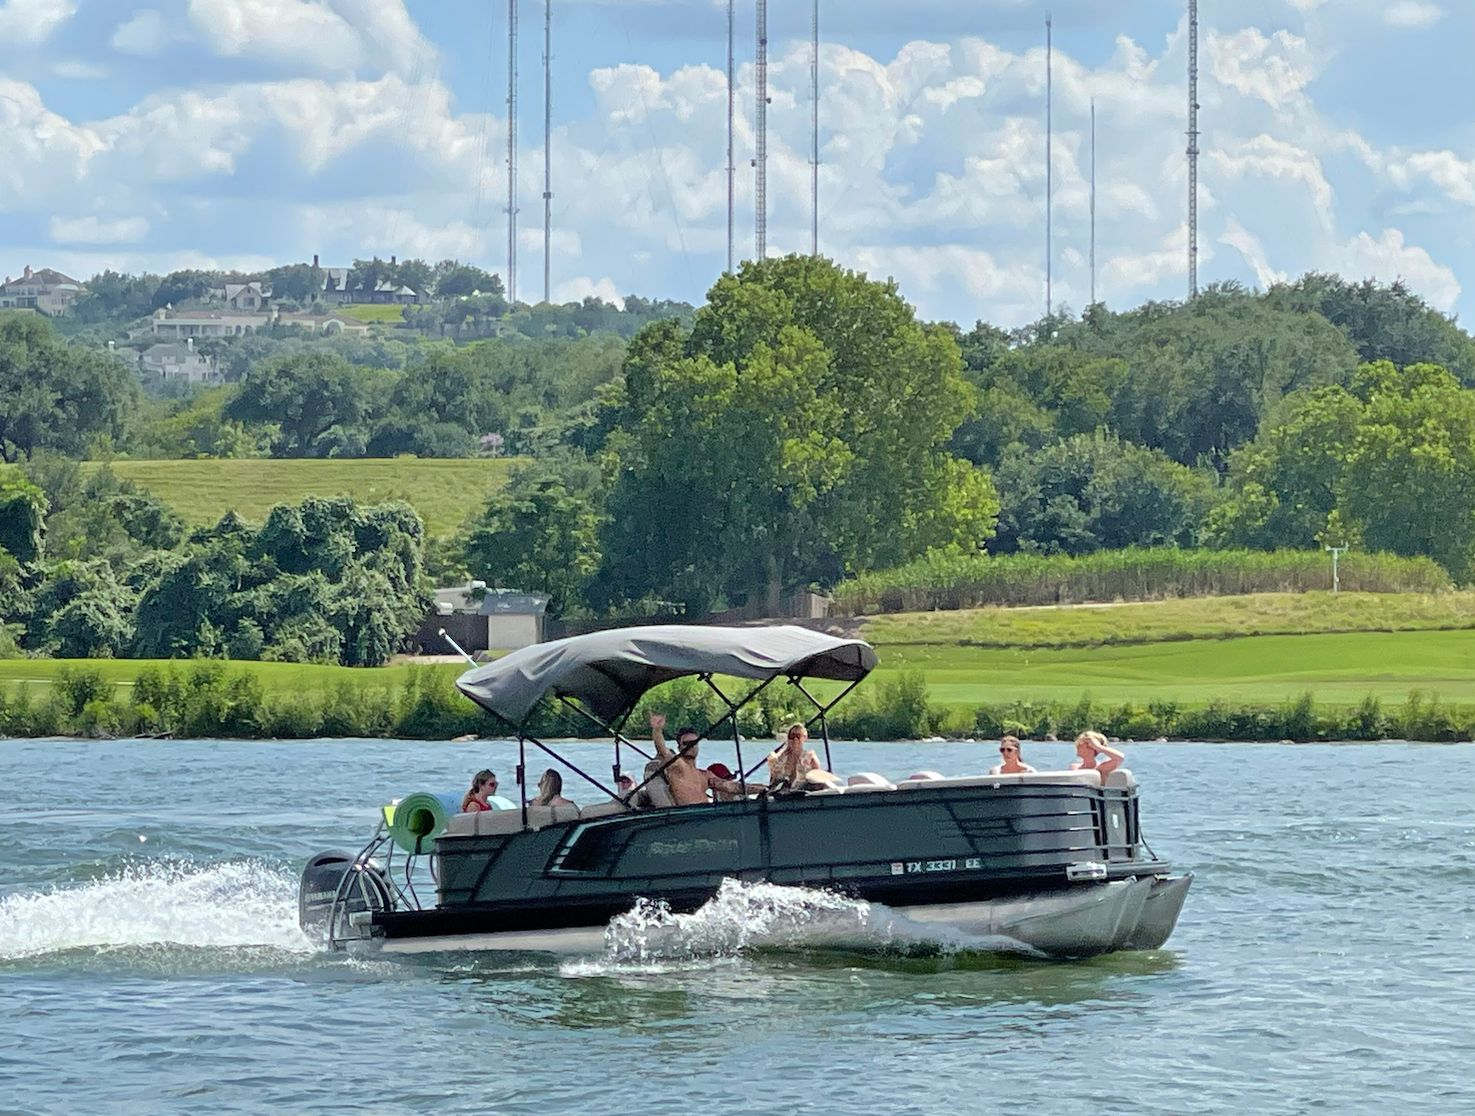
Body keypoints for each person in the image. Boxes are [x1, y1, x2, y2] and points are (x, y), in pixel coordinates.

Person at [649, 713, 751, 806]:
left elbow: (733, 787)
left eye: (694, 742)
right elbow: (662, 750)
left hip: (707, 816)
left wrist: (763, 789)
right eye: (686, 743)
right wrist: (657, 729)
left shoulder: (704, 775)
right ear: (679, 747)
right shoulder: (677, 765)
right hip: (688, 818)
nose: (691, 746)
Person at [767, 723, 828, 790]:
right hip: (781, 794)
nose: (795, 739)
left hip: (803, 794)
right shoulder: (778, 758)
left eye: (798, 736)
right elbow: (772, 781)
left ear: (805, 738)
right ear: (788, 738)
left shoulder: (811, 758)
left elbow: (818, 780)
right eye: (792, 736)